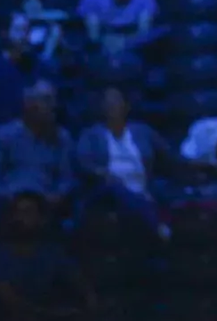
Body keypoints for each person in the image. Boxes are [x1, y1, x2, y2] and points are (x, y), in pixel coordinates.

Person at [75, 87, 194, 242]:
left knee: (175, 193)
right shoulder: (91, 134)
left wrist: (200, 163)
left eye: (116, 101)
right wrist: (101, 172)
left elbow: (170, 155)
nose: (111, 105)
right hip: (108, 192)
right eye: (107, 102)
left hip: (143, 190)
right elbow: (82, 162)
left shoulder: (142, 131)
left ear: (126, 106)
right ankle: (158, 227)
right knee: (117, 189)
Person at [0, 192, 97, 321]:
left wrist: (90, 298)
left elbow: (77, 278)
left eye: (27, 212)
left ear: (42, 219)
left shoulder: (52, 252)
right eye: (17, 212)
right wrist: (51, 314)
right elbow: (10, 301)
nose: (20, 218)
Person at [0, 82, 75, 217]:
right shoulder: (3, 135)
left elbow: (67, 177)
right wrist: (4, 196)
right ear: (29, 105)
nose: (52, 106)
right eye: (46, 100)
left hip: (46, 201)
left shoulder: (62, 138)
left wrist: (58, 195)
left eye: (53, 101)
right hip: (11, 200)